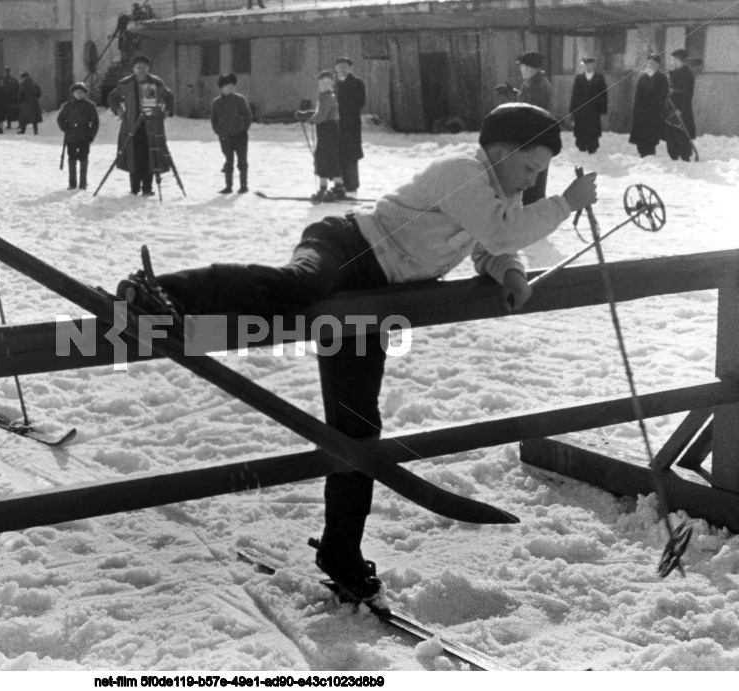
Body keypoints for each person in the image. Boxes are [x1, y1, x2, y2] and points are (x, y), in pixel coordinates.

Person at [115, 103, 597, 600]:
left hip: (374, 300)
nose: (531, 182)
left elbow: (491, 246)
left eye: (540, 174)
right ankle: (156, 291)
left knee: (357, 429)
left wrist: (510, 273)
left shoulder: (496, 194)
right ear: (500, 151)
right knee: (300, 285)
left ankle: (339, 548)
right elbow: (498, 232)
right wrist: (565, 204)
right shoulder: (462, 172)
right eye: (529, 168)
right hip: (346, 246)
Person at [107, 54, 175, 196]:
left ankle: (147, 188)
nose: (141, 70)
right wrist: (118, 109)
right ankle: (134, 187)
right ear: (134, 68)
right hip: (131, 125)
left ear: (148, 68)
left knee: (150, 154)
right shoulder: (126, 83)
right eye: (138, 67)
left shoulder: (154, 82)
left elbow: (168, 96)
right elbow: (113, 97)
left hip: (151, 124)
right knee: (134, 155)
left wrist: (167, 111)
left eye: (144, 67)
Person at [295, 70, 344, 203]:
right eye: (322, 82)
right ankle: (336, 187)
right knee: (326, 158)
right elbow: (320, 112)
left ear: (332, 84)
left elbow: (321, 116)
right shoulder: (325, 96)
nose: (324, 85)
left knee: (325, 158)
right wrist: (307, 113)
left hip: (329, 132)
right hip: (326, 132)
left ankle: (331, 188)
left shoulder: (328, 97)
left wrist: (309, 119)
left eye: (327, 82)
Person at [514, 52, 552, 205]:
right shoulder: (537, 83)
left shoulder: (536, 86)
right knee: (534, 184)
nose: (521, 71)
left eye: (522, 68)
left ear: (530, 69)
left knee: (532, 187)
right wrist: (514, 94)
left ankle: (533, 216)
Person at [210, 73, 253, 194]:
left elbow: (248, 116)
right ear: (221, 88)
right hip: (225, 137)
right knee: (229, 161)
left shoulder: (240, 99)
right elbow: (214, 120)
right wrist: (219, 131)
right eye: (227, 86)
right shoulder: (216, 103)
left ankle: (244, 185)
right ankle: (228, 186)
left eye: (232, 86)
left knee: (242, 162)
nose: (230, 88)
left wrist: (244, 128)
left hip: (240, 136)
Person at [57, 82, 100, 190]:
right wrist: (65, 128)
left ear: (85, 94)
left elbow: (95, 122)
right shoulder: (67, 106)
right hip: (71, 137)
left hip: (84, 136)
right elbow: (60, 119)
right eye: (77, 92)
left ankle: (83, 183)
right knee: (72, 159)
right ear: (73, 93)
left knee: (83, 158)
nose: (79, 94)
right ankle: (72, 183)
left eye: (82, 92)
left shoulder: (90, 106)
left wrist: (91, 135)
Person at [334, 57, 366, 197]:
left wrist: (341, 108)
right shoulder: (332, 83)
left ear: (350, 68)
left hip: (350, 125)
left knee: (350, 156)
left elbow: (360, 102)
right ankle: (339, 187)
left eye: (345, 66)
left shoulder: (357, 83)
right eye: (340, 66)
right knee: (336, 156)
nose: (342, 69)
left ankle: (352, 188)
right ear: (336, 68)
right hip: (334, 126)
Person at [629, 54, 669, 158]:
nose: (650, 65)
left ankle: (650, 153)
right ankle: (642, 153)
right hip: (642, 111)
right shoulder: (643, 77)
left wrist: (660, 108)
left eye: (653, 63)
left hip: (654, 111)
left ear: (658, 65)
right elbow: (638, 95)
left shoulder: (662, 78)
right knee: (641, 134)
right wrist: (637, 110)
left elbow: (664, 95)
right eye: (649, 63)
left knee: (652, 135)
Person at [568, 56, 608, 154]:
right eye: (586, 65)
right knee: (581, 129)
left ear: (594, 65)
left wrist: (602, 109)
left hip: (593, 110)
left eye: (590, 64)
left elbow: (603, 95)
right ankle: (581, 146)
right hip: (581, 110)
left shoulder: (599, 78)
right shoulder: (579, 78)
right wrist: (573, 110)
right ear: (584, 66)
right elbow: (574, 95)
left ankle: (592, 147)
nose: (588, 67)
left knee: (592, 129)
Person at [666, 48, 696, 162]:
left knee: (682, 133)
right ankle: (674, 156)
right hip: (672, 108)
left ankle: (685, 157)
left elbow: (687, 94)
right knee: (671, 133)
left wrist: (680, 109)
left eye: (673, 59)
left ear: (679, 60)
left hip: (681, 109)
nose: (671, 62)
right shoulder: (674, 73)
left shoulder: (687, 73)